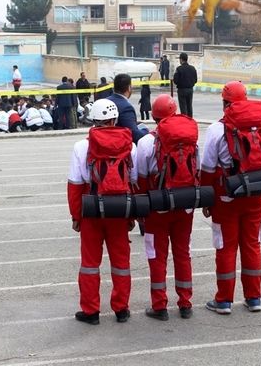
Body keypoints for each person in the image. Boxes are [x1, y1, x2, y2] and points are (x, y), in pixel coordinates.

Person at [67, 98, 137, 325]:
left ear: (93, 120)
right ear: (115, 119)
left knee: (89, 263)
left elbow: (75, 184)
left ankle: (91, 310)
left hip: (91, 208)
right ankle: (121, 309)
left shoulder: (81, 146)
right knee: (121, 262)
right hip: (119, 210)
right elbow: (134, 183)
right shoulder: (130, 144)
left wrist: (76, 216)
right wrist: (131, 216)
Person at [201, 81, 261, 315]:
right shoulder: (259, 126)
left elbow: (208, 169)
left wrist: (207, 201)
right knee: (252, 246)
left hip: (226, 198)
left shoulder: (216, 130)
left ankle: (224, 300)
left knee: (226, 247)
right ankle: (254, 298)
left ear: (224, 102)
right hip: (256, 196)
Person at [136, 94, 196, 321]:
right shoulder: (190, 136)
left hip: (157, 205)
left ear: (153, 116)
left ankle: (159, 305)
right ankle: (185, 303)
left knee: (156, 255)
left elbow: (140, 178)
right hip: (185, 203)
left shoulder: (145, 142)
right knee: (183, 253)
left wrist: (142, 209)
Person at [107, 73, 147, 143]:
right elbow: (135, 135)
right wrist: (145, 130)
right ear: (129, 88)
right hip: (119, 147)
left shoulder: (105, 100)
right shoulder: (126, 108)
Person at [173, 52, 197, 117]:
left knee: (183, 107)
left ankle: (184, 121)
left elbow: (175, 81)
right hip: (190, 90)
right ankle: (190, 121)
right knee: (189, 106)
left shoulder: (179, 69)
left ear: (181, 59)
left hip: (182, 90)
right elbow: (195, 80)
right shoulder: (192, 68)